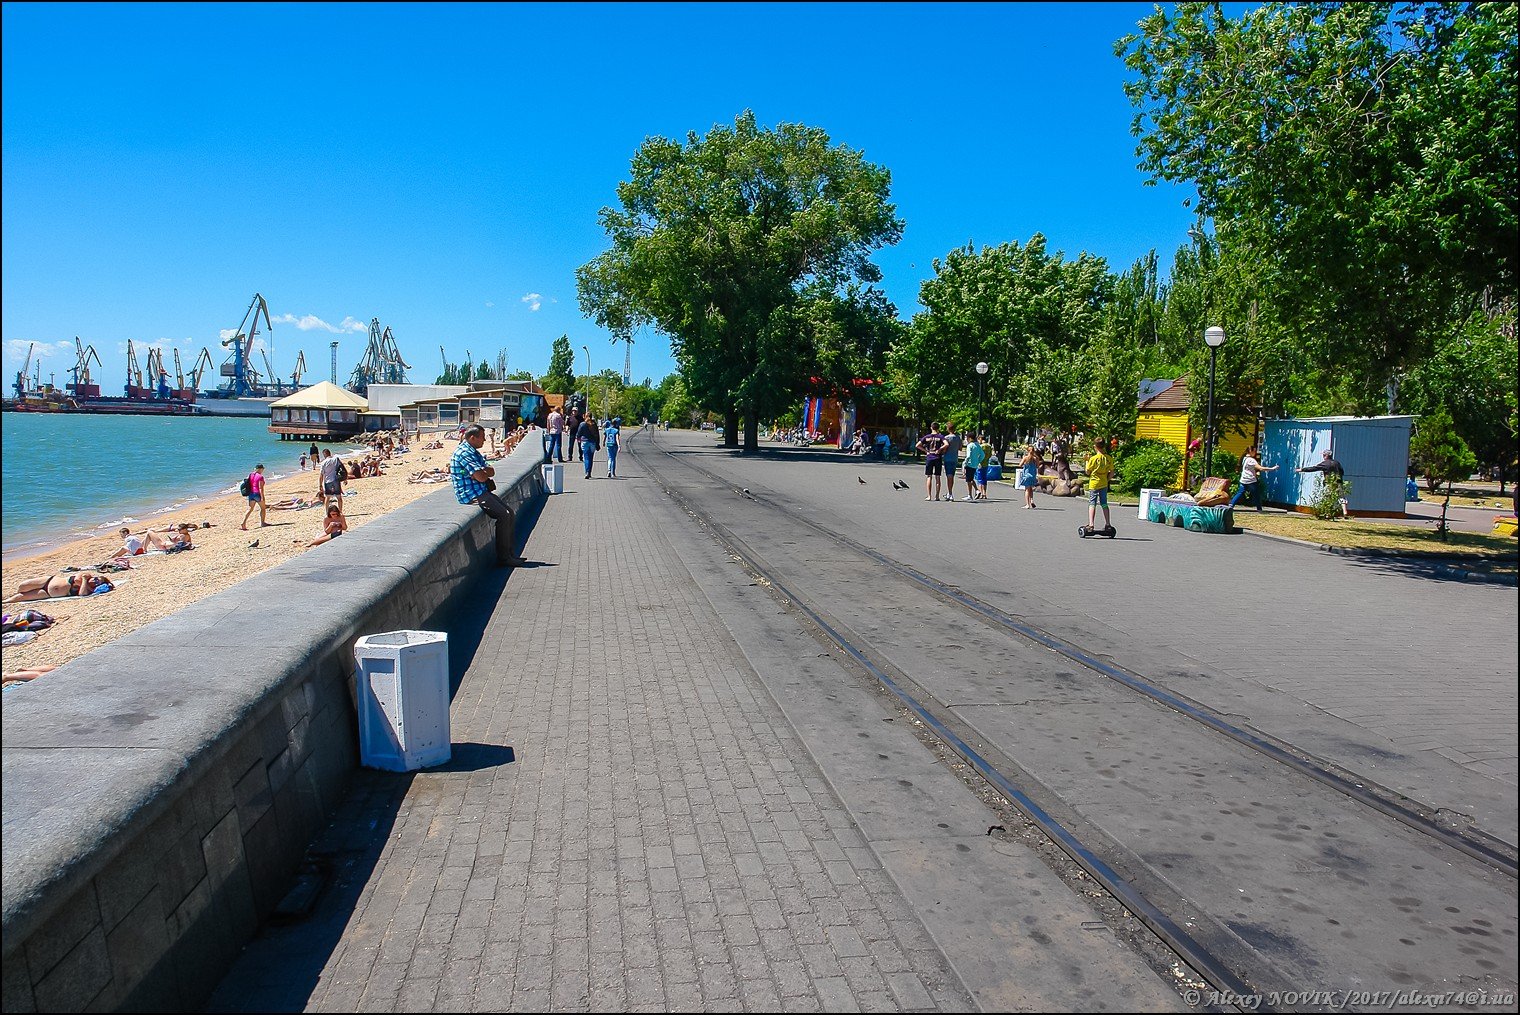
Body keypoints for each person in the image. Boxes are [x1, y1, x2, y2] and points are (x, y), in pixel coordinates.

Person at [451, 424, 525, 567]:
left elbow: (490, 471)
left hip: (480, 491)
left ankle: (509, 553)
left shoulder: (473, 451)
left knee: (510, 513)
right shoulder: (464, 453)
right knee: (503, 515)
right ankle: (504, 558)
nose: (484, 441)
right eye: (482, 438)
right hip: (471, 494)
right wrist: (481, 474)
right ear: (472, 438)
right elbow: (482, 477)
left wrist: (482, 473)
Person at [1230, 446, 1278, 511]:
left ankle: (1231, 505)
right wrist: (1272, 468)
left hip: (1243, 479)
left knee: (1240, 492)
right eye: (1254, 451)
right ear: (1250, 451)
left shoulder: (1244, 459)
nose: (1255, 453)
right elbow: (1260, 468)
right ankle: (1259, 509)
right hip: (1250, 480)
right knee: (1256, 494)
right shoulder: (1251, 460)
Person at [5, 573, 110, 603]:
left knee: (20, 597)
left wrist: (85, 582)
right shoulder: (85, 575)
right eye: (96, 579)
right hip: (47, 581)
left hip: (48, 594)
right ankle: (9, 596)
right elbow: (78, 580)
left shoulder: (86, 584)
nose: (94, 581)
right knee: (22, 587)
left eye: (97, 582)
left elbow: (82, 594)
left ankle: (5, 601)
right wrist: (85, 581)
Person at [1085, 438, 1114, 532]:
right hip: (1103, 483)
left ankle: (1091, 524)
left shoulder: (1093, 459)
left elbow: (1088, 472)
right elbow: (1112, 472)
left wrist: (1086, 461)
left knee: (1092, 503)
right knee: (1104, 503)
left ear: (1095, 447)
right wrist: (1106, 479)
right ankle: (1108, 523)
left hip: (1094, 483)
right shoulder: (1108, 458)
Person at [917, 422, 946, 501]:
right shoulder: (940, 437)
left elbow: (917, 445)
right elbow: (946, 444)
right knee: (937, 477)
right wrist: (940, 449)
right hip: (937, 457)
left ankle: (929, 495)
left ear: (931, 428)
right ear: (938, 428)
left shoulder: (927, 437)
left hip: (930, 457)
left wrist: (926, 451)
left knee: (929, 476)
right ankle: (937, 496)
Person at [240, 463, 268, 530]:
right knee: (263, 508)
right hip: (257, 493)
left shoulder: (251, 474)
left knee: (250, 509)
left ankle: (243, 523)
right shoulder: (260, 477)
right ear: (261, 469)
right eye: (262, 469)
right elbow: (260, 488)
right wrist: (262, 496)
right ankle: (262, 523)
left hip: (251, 494)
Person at [576, 412, 601, 479]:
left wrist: (578, 439)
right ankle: (589, 472)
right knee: (591, 458)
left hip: (584, 442)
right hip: (592, 442)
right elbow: (597, 435)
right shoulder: (594, 424)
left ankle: (587, 472)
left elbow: (578, 433)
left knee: (586, 458)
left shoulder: (582, 424)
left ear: (585, 416)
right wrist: (598, 444)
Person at [319, 449, 345, 514]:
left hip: (328, 481)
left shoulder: (323, 462)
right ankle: (340, 511)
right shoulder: (336, 459)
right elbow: (343, 469)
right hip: (336, 480)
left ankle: (327, 512)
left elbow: (321, 475)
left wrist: (320, 484)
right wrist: (345, 478)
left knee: (328, 498)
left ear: (324, 454)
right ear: (329, 453)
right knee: (339, 497)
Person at [942, 422, 963, 502]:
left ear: (948, 429)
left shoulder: (946, 438)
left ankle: (950, 493)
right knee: (952, 476)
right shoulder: (958, 438)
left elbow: (944, 449)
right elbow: (960, 448)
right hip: (954, 458)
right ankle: (949, 492)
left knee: (948, 476)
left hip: (947, 458)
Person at [961, 433, 985, 501]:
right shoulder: (977, 445)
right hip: (975, 465)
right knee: (971, 478)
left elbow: (968, 456)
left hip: (969, 464)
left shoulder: (970, 445)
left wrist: (965, 462)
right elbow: (982, 455)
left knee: (968, 480)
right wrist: (978, 461)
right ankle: (977, 490)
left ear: (970, 438)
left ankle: (970, 495)